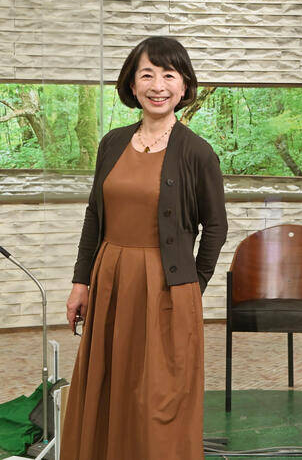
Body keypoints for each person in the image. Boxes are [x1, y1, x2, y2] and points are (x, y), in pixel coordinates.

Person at [61, 36, 228, 460]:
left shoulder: (197, 152)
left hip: (165, 287)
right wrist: (81, 282)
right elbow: (94, 215)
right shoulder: (112, 143)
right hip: (111, 282)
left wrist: (193, 285)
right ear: (132, 84)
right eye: (147, 74)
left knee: (158, 395)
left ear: (184, 85)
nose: (158, 86)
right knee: (108, 387)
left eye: (169, 75)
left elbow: (216, 227)